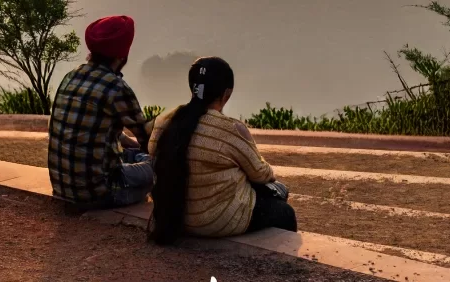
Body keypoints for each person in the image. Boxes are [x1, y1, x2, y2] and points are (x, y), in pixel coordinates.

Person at [147, 56, 297, 244]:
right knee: (284, 209)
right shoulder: (230, 129)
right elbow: (261, 174)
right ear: (226, 93)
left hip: (171, 217)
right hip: (214, 222)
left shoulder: (165, 121)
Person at [48, 15, 154, 209]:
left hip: (62, 188)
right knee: (158, 166)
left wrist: (133, 148)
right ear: (123, 55)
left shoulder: (70, 76)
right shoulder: (116, 87)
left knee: (135, 155)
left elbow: (97, 130)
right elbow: (149, 139)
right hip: (100, 193)